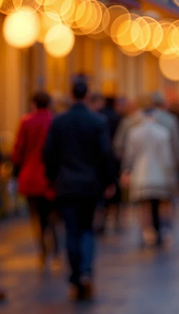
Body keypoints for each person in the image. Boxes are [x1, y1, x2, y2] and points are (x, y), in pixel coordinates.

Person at [43, 80, 112, 300]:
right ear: (88, 95)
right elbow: (105, 155)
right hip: (90, 185)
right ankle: (85, 271)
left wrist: (52, 178)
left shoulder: (59, 122)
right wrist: (108, 181)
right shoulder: (97, 121)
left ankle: (74, 274)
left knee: (71, 230)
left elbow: (49, 154)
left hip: (66, 184)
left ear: (71, 95)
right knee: (87, 229)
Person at [122, 102, 179, 249]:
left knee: (144, 206)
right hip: (160, 174)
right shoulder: (162, 132)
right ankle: (161, 230)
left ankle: (147, 232)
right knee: (161, 204)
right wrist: (171, 173)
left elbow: (129, 155)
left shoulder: (134, 132)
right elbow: (167, 157)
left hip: (141, 173)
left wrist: (127, 171)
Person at [12, 92, 58, 269]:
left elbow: (19, 149)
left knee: (36, 215)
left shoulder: (26, 121)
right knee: (51, 215)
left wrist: (17, 169)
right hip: (48, 176)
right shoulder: (54, 121)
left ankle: (42, 249)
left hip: (30, 175)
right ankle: (54, 249)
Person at [96, 95, 123, 234]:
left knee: (102, 190)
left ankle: (102, 219)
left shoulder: (98, 116)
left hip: (100, 158)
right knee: (115, 188)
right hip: (114, 157)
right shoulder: (118, 118)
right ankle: (116, 216)